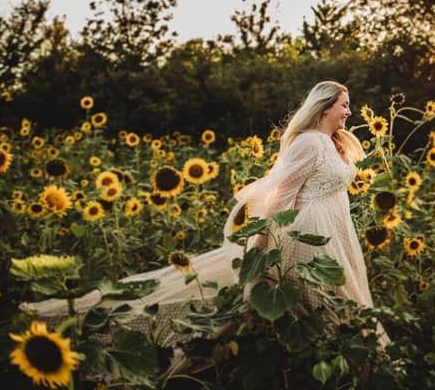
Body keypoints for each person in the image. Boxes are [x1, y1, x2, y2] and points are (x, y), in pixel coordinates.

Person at [23, 81, 385, 345]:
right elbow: (282, 194)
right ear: (324, 107)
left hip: (335, 232)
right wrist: (260, 245)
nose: (349, 111)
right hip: (307, 233)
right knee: (316, 305)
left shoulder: (333, 142)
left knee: (322, 306)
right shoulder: (308, 142)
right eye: (344, 105)